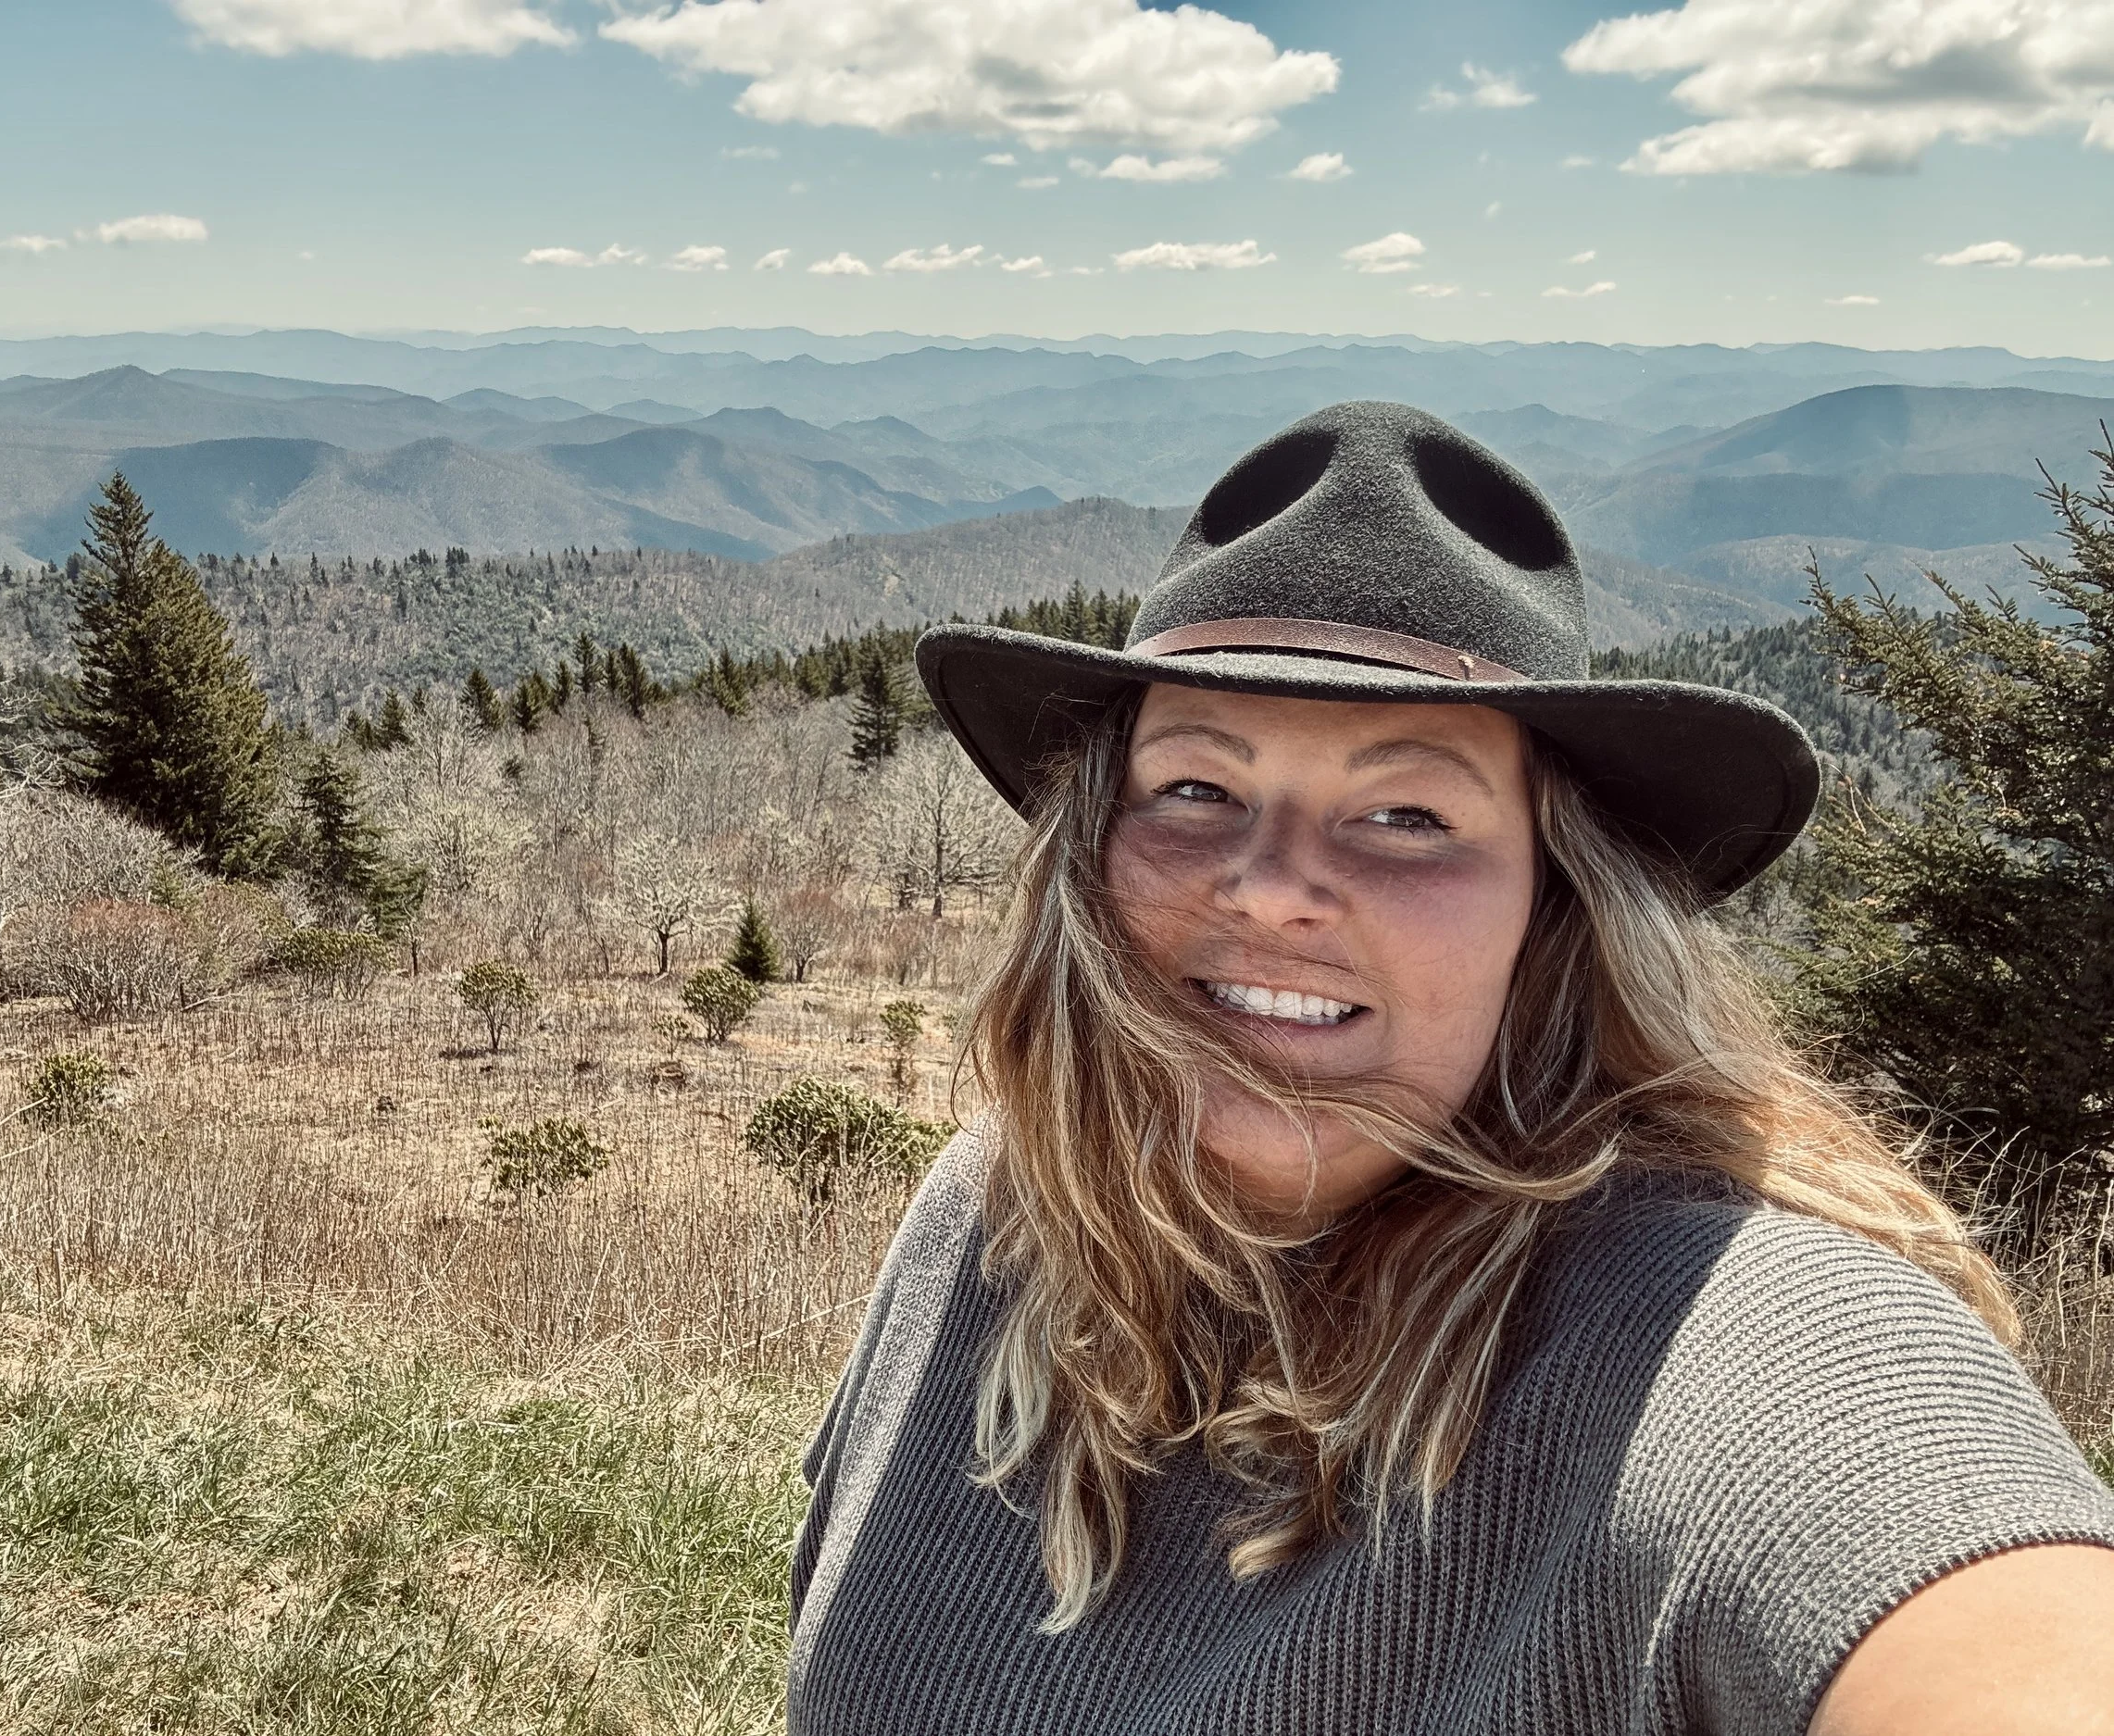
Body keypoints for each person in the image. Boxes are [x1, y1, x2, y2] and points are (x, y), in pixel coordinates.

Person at [784, 402, 2114, 1735]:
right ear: (1090, 850)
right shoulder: (993, 1222)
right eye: (1196, 787)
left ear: (1558, 910)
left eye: (1408, 814)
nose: (1272, 888)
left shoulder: (1727, 1336)